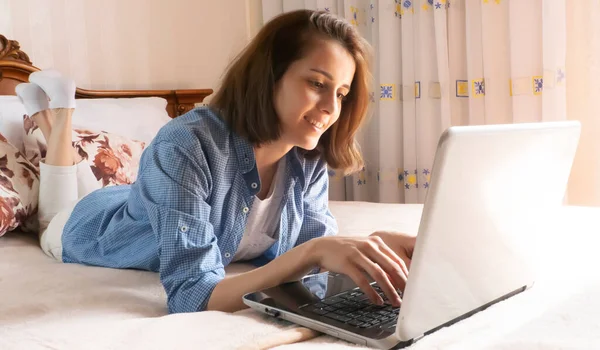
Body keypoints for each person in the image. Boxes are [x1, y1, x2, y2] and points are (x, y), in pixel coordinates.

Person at [15, 9, 416, 314]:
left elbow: (313, 255)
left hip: (131, 196)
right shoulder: (187, 143)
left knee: (102, 177)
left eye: (342, 93)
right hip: (86, 226)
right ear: (269, 76)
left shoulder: (305, 152)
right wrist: (312, 253)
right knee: (50, 215)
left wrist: (372, 246)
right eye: (317, 84)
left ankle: (46, 114)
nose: (331, 108)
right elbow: (192, 294)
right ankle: (59, 113)